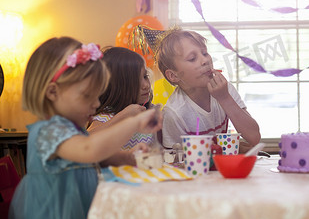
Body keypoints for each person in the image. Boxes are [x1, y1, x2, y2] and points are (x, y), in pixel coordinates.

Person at [9, 37, 162, 219]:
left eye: (98, 95)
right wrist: (134, 122)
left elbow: (101, 158)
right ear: (52, 92)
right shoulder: (48, 131)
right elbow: (90, 150)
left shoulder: (74, 129)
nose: (96, 103)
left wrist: (130, 156)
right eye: (87, 95)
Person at [155, 28, 261, 149]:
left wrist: (225, 98)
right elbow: (172, 159)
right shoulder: (174, 113)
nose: (205, 60)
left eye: (205, 53)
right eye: (192, 58)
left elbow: (254, 137)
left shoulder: (224, 89)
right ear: (173, 75)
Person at [87, 46, 156, 150]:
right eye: (136, 80)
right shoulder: (107, 116)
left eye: (145, 77)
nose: (146, 85)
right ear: (118, 86)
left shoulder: (151, 112)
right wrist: (122, 116)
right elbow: (85, 140)